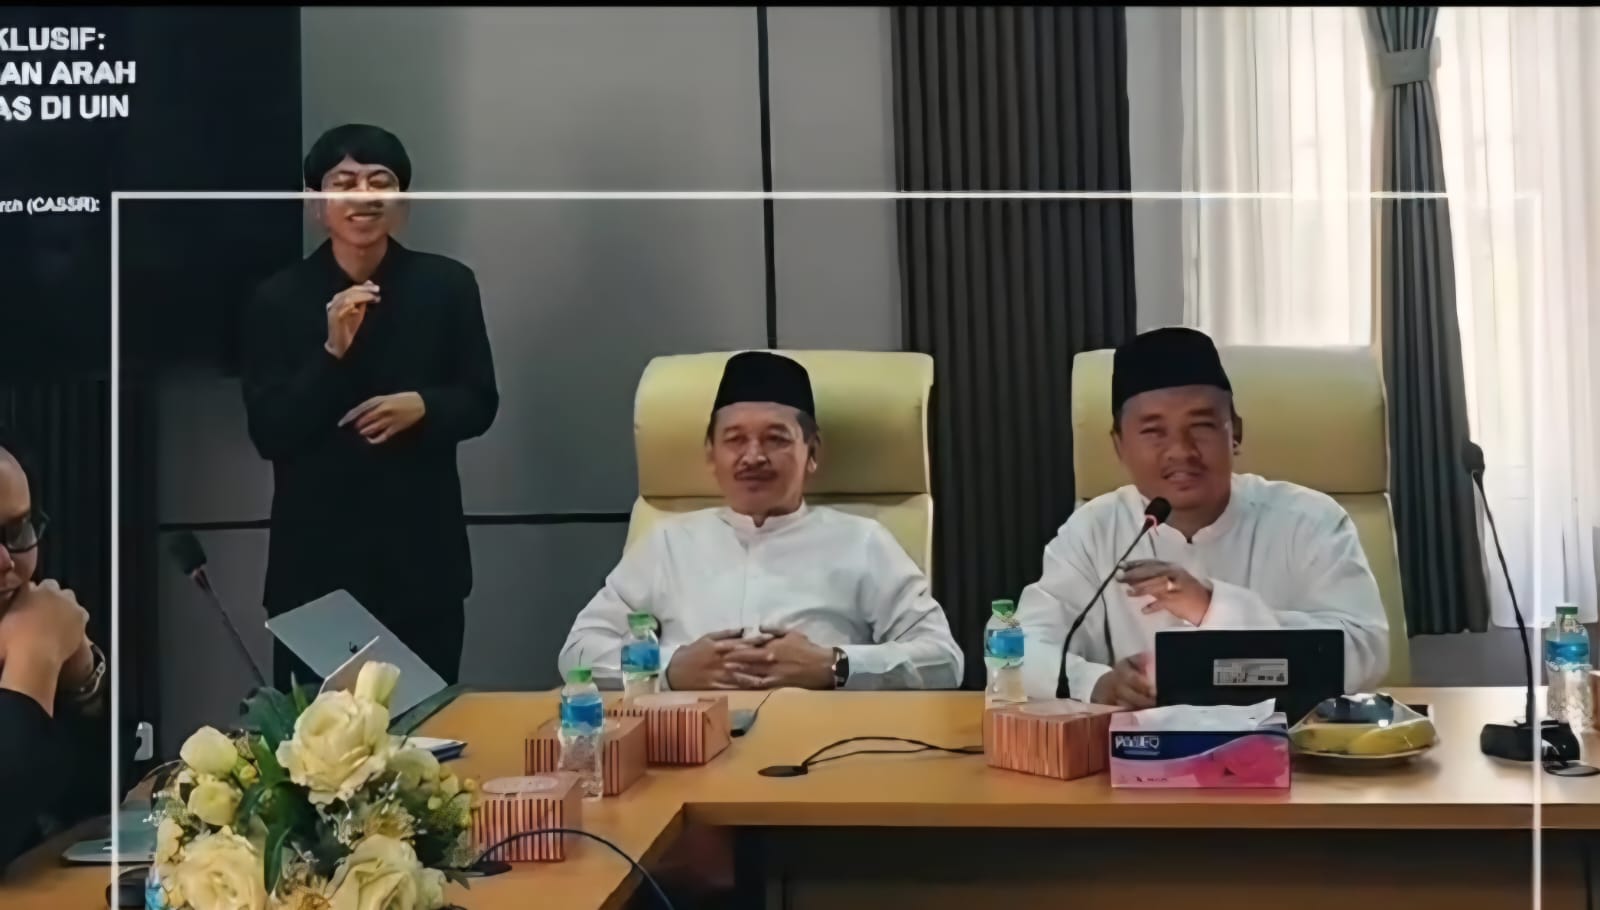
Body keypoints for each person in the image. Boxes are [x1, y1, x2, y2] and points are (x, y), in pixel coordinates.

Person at [240, 124, 498, 690]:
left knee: (424, 728)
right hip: (316, 570)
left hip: (422, 564)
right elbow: (270, 431)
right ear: (315, 202)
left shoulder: (447, 285)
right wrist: (332, 354)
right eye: (344, 182)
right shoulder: (278, 299)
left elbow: (481, 401)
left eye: (381, 181)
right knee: (319, 735)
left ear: (402, 201)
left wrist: (424, 406)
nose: (364, 196)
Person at [1016, 327, 1389, 706]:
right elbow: (1022, 646)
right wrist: (1097, 685)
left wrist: (1213, 607)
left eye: (1201, 426)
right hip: (1136, 741)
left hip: (1289, 739)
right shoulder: (1093, 530)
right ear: (1119, 445)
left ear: (1235, 432)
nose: (1181, 450)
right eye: (1153, 432)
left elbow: (1366, 651)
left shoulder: (1310, 521)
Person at [560, 351, 963, 691]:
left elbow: (944, 660)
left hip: (822, 745)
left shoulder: (863, 542)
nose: (753, 457)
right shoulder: (667, 544)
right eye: (735, 440)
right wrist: (668, 669)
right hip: (687, 745)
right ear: (711, 455)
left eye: (776, 439)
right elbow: (579, 651)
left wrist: (836, 665)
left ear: (812, 453)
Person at [0, 430, 108, 868]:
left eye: (16, 531)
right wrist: (34, 659)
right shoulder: (32, 633)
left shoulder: (27, 615)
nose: (6, 562)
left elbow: (101, 802)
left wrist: (83, 678)